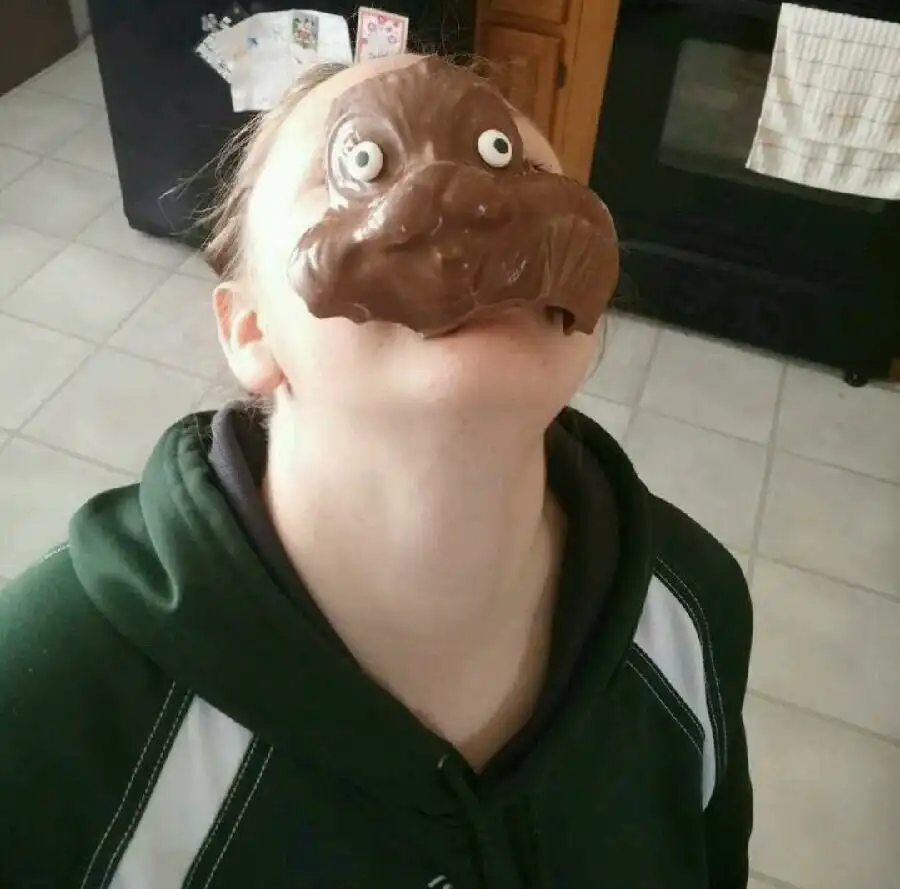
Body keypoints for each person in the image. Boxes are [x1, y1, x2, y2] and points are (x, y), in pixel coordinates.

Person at [0, 54, 753, 888]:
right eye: (362, 162)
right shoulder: (40, 697)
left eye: (502, 153)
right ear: (249, 330)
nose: (468, 196)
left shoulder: (696, 605)